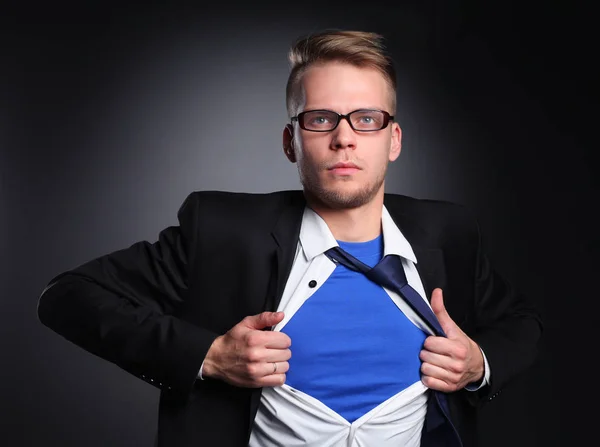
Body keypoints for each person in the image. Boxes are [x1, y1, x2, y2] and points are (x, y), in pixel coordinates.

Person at [36, 29, 543, 447]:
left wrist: (480, 364)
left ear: (394, 140)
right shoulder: (219, 231)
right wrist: (209, 355)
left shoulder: (449, 232)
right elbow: (67, 297)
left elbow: (521, 324)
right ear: (291, 141)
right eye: (321, 119)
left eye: (366, 120)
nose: (344, 137)